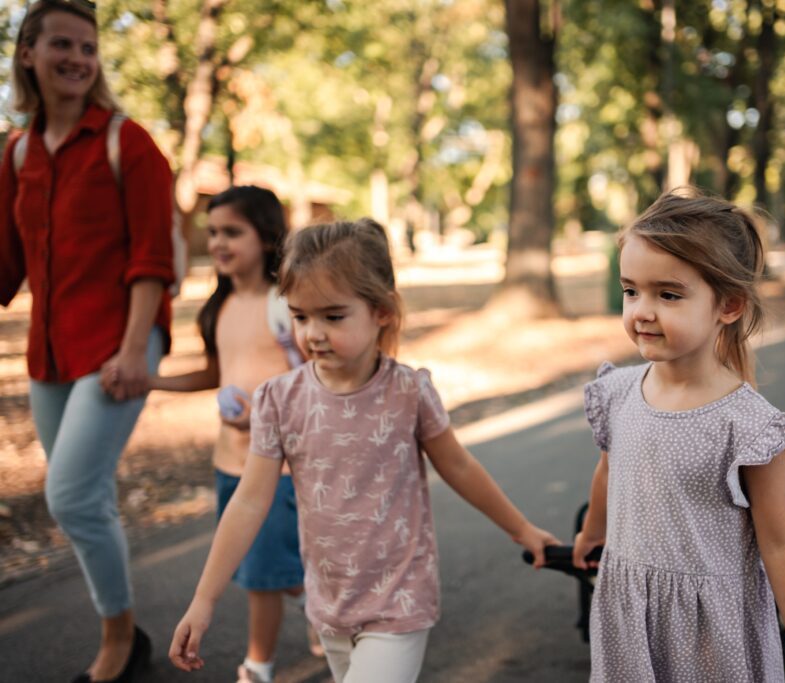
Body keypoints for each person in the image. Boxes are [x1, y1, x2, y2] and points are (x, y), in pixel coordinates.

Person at [167, 219, 559, 682]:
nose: (313, 333)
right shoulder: (279, 400)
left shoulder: (408, 392)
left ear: (382, 312)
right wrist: (204, 599)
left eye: (333, 317)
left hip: (400, 599)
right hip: (330, 602)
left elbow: (457, 464)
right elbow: (250, 500)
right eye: (300, 316)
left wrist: (522, 529)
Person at [571, 189, 785, 682]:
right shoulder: (619, 393)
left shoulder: (749, 427)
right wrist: (592, 532)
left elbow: (783, 548)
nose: (642, 310)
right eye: (631, 291)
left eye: (668, 294)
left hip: (714, 633)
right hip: (629, 616)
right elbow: (609, 470)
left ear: (728, 305)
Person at [0, 1, 175, 681]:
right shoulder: (16, 153)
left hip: (120, 343)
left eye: (88, 47)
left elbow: (153, 261)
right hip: (49, 354)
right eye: (62, 45)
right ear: (28, 54)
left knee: (70, 495)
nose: (77, 58)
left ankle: (118, 640)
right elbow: (7, 269)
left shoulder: (127, 142)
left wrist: (135, 349)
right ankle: (126, 629)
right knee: (88, 495)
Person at [145, 186, 314, 683]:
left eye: (232, 232)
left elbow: (313, 383)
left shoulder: (285, 305)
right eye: (213, 231)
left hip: (277, 469)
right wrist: (151, 381)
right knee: (261, 565)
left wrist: (260, 421)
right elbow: (214, 375)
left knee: (261, 576)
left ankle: (257, 668)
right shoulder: (218, 307)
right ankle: (312, 602)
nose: (218, 242)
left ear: (265, 236)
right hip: (228, 464)